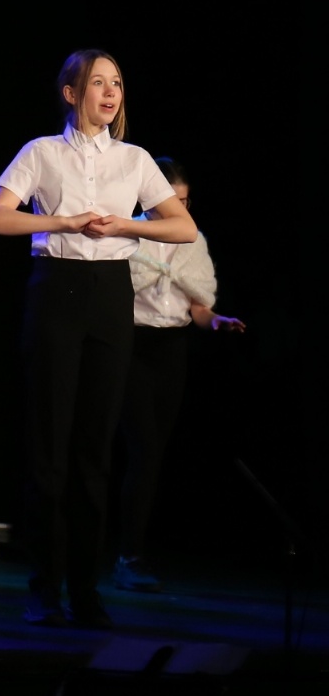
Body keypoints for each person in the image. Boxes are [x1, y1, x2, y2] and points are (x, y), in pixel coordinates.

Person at [0, 49, 195, 628]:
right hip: (57, 288)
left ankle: (85, 588)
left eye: (116, 83)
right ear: (71, 92)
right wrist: (64, 221)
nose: (110, 92)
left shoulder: (134, 159)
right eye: (97, 83)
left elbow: (183, 226)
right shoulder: (42, 152)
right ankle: (44, 587)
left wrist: (125, 223)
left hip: (110, 292)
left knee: (96, 447)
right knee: (49, 444)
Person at [115, 158, 245, 593]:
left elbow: (199, 305)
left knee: (153, 455)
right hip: (132, 345)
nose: (179, 209)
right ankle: (127, 556)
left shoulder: (192, 239)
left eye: (185, 202)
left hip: (171, 350)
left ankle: (133, 551)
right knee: (143, 447)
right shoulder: (129, 233)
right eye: (172, 201)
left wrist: (218, 321)